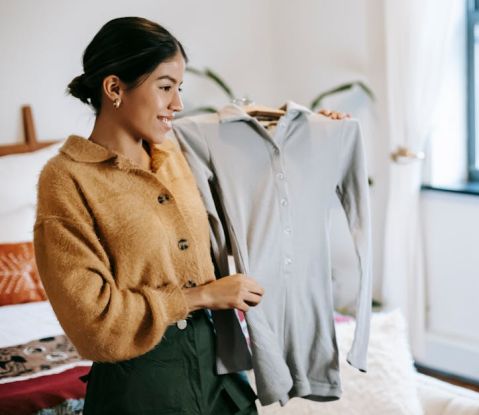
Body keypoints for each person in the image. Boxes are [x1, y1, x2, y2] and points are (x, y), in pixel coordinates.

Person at [32, 16, 346, 414]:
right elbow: (94, 326)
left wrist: (321, 131)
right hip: (141, 387)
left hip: (221, 373)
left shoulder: (182, 150)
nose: (177, 104)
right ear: (114, 88)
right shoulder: (66, 180)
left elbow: (265, 176)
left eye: (179, 88)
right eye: (165, 87)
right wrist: (204, 296)